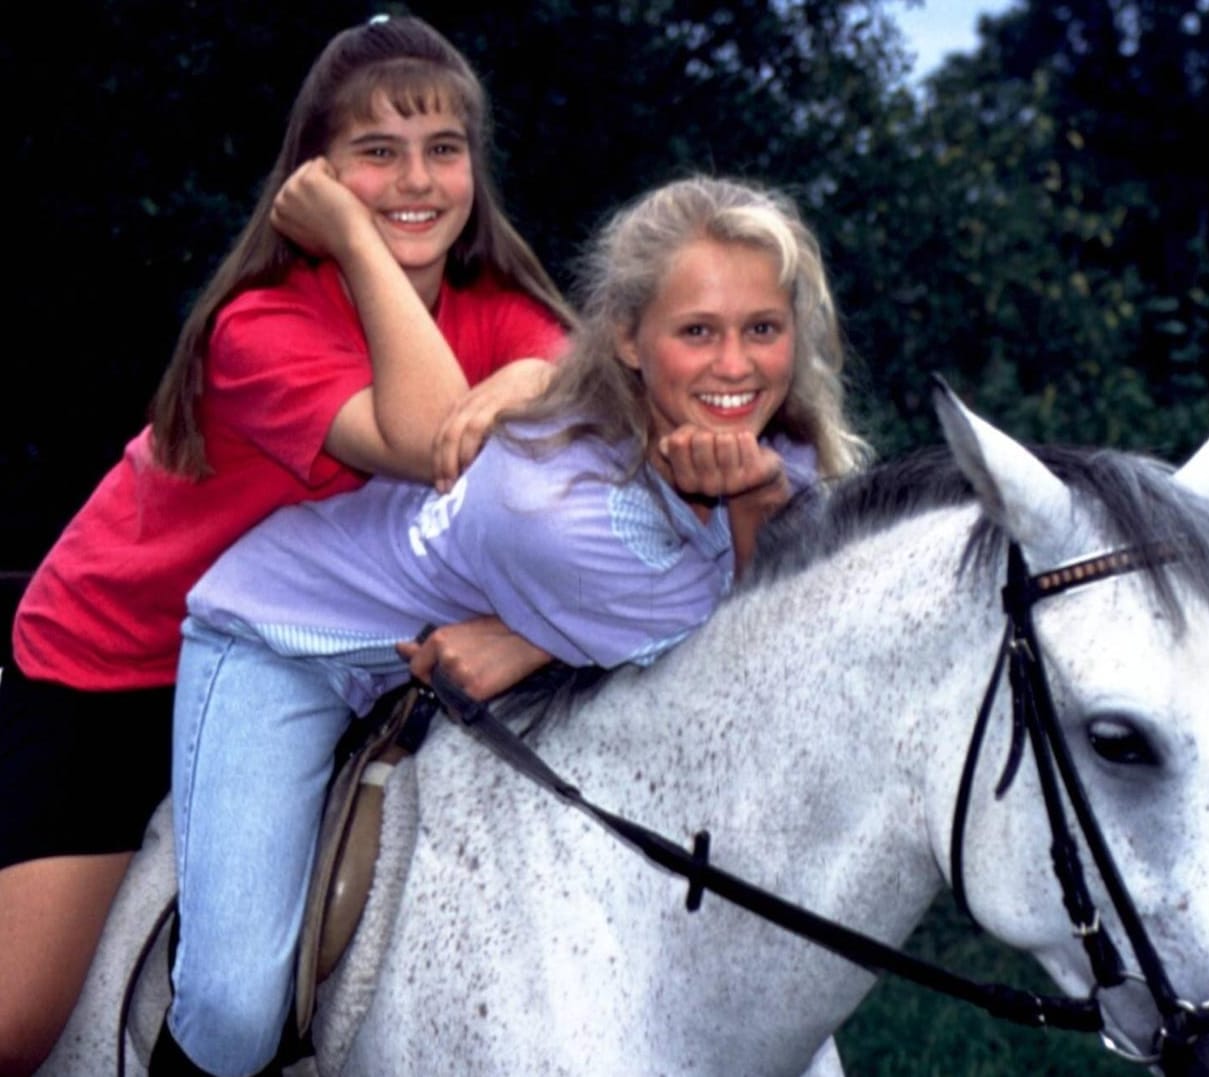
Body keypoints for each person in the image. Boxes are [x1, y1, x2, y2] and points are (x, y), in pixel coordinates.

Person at [155, 174, 870, 1076]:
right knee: (232, 1010)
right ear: (627, 339)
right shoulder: (551, 501)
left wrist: (534, 635)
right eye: (697, 331)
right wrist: (556, 628)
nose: (735, 366)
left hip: (443, 644)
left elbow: (781, 658)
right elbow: (739, 656)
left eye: (761, 329)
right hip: (286, 637)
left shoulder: (783, 455)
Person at [0, 15, 574, 1073]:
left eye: (444, 149)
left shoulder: (497, 309)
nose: (416, 178)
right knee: (18, 1020)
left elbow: (597, 409)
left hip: (320, 652)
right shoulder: (260, 325)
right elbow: (427, 438)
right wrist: (360, 247)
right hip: (120, 662)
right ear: (315, 176)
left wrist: (537, 377)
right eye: (376, 152)